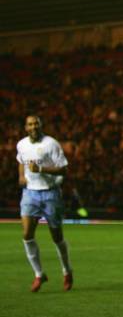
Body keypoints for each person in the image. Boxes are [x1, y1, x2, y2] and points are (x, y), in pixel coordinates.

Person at [16, 115, 73, 292]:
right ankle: (39, 275)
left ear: (41, 125)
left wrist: (40, 169)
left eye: (36, 124)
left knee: (57, 237)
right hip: (30, 194)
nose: (33, 127)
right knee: (27, 235)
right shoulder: (21, 144)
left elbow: (64, 169)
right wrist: (21, 176)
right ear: (26, 127)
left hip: (50, 194)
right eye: (30, 124)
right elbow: (20, 161)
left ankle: (67, 270)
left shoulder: (51, 144)